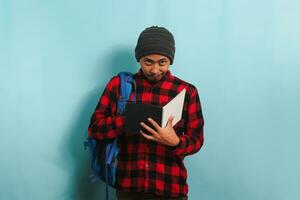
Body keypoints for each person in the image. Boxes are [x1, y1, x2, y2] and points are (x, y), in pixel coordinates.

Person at [88, 26, 204, 200]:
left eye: (162, 62)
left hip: (170, 188)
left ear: (170, 61)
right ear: (139, 59)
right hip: (128, 188)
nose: (155, 69)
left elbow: (197, 139)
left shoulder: (186, 92)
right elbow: (94, 129)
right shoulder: (118, 86)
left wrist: (175, 142)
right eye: (148, 62)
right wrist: (125, 121)